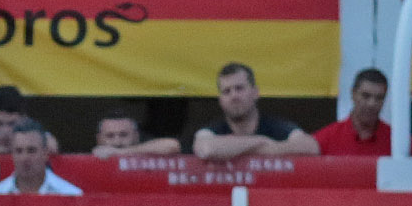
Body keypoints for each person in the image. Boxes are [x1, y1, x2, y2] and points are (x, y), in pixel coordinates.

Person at [192, 63, 320, 161]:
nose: (234, 96)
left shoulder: (275, 125)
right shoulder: (212, 129)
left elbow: (310, 146)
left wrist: (231, 149)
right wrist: (261, 141)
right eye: (227, 91)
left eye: (239, 88)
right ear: (220, 100)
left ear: (255, 92)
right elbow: (207, 149)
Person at [313, 68, 392, 157]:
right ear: (353, 94)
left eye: (379, 98)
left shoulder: (397, 142)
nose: (372, 104)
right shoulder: (324, 140)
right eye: (366, 96)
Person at [0, 122, 83, 196]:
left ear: (45, 153)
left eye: (31, 151)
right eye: (19, 151)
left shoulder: (70, 195)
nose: (24, 158)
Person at [0, 86, 58, 156]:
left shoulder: (34, 135)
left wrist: (13, 149)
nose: (5, 131)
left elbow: (52, 146)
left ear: (24, 120)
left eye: (11, 124)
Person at [92, 111, 180, 157]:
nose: (117, 142)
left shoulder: (144, 148)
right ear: (99, 139)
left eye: (123, 135)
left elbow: (172, 145)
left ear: (136, 136)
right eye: (110, 136)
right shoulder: (91, 157)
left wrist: (120, 152)